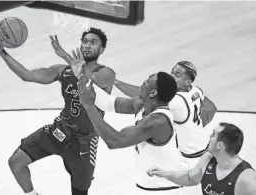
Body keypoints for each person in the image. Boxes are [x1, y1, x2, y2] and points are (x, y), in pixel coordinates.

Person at [0, 27, 115, 195]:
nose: (87, 45)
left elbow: (88, 84)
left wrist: (67, 57)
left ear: (101, 50)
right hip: (59, 131)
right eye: (85, 42)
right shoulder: (62, 70)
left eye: (93, 43)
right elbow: (27, 75)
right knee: (16, 162)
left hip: (83, 142)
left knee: (80, 191)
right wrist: (2, 53)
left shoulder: (106, 74)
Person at [75, 59, 184, 195]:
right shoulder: (141, 104)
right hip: (147, 187)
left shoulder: (158, 121)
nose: (141, 85)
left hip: (165, 191)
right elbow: (108, 103)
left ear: (153, 93)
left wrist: (89, 106)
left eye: (145, 83)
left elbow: (115, 141)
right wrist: (83, 79)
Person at [114, 61, 217, 194]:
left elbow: (143, 95)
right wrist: (195, 127)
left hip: (189, 161)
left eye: (177, 74)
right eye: (172, 72)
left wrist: (115, 82)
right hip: (205, 152)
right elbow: (211, 108)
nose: (172, 76)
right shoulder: (196, 90)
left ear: (187, 82)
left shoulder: (176, 101)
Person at [148, 122, 256, 195]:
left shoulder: (247, 179)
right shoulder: (208, 159)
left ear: (220, 146)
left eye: (213, 135)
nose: (210, 136)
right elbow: (190, 178)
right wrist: (163, 173)